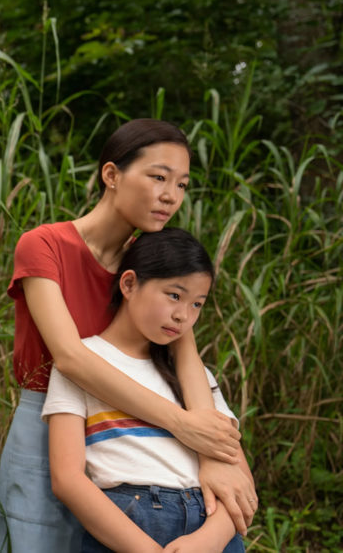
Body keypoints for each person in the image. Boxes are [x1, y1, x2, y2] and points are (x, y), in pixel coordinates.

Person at [0, 119, 257, 553]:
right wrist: (182, 425)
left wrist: (213, 455)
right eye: (158, 177)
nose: (171, 196)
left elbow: (183, 354)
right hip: (54, 418)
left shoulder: (148, 259)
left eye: (182, 184)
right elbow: (70, 358)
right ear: (111, 175)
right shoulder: (45, 245)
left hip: (128, 435)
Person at [45, 228, 249, 552]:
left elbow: (241, 483)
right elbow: (67, 479)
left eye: (197, 304)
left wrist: (207, 540)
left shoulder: (193, 377)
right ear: (128, 284)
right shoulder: (85, 365)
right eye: (174, 295)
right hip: (127, 529)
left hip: (209, 532)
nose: (183, 316)